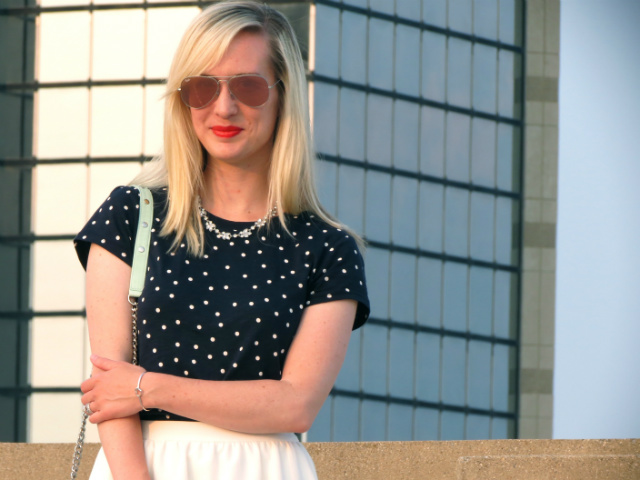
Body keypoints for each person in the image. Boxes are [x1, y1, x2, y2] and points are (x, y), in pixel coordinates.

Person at [74, 1, 369, 479]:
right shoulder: (131, 214)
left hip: (266, 468)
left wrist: (150, 388)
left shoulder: (328, 247)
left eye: (248, 87)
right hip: (140, 467)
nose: (224, 107)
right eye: (202, 88)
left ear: (284, 93)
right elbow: (111, 387)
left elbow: (295, 406)